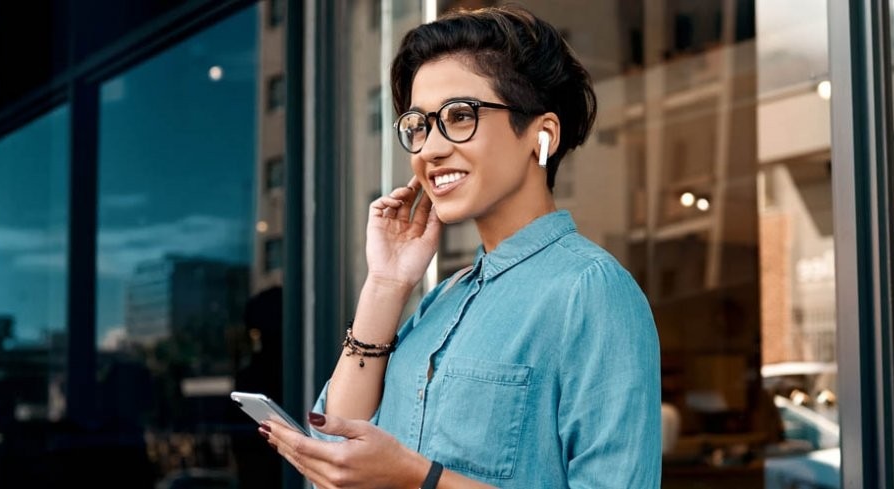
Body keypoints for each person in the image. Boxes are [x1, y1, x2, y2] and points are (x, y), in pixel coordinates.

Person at [261, 4, 662, 488]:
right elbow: (334, 453)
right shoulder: (444, 299)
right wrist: (386, 286)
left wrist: (419, 478)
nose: (430, 148)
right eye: (419, 125)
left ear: (543, 136)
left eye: (459, 116)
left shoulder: (590, 290)